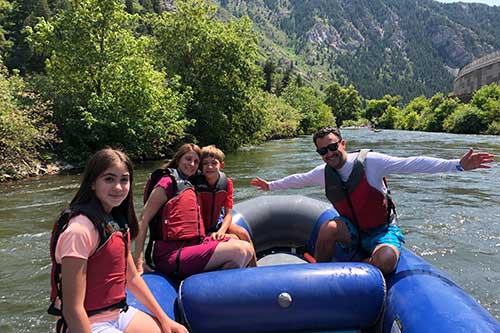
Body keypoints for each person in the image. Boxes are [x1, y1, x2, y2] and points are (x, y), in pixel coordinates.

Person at [250, 126, 495, 275]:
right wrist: (270, 186)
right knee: (329, 228)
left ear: (342, 143)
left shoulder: (372, 162)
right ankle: (319, 274)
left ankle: (357, 264)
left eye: (332, 147)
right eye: (322, 151)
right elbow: (298, 179)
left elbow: (412, 163)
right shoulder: (322, 172)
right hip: (352, 229)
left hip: (381, 230)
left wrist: (457, 166)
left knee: (387, 261)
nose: (328, 154)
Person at [48, 148, 187, 333]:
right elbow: (73, 310)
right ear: (92, 183)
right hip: (89, 323)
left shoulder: (116, 222)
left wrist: (164, 320)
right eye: (109, 179)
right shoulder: (79, 231)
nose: (118, 187)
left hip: (119, 314)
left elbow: (132, 277)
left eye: (124, 179)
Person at [133, 143, 253, 279]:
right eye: (188, 159)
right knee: (240, 250)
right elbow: (143, 219)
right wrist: (138, 261)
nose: (192, 164)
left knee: (242, 244)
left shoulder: (190, 183)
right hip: (171, 253)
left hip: (193, 245)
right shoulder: (167, 182)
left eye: (196, 161)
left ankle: (214, 290)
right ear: (178, 159)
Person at [192, 144, 257, 267]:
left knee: (243, 233)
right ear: (201, 166)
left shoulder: (226, 183)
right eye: (205, 163)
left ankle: (255, 268)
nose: (209, 167)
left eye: (214, 163)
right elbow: (197, 212)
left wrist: (221, 230)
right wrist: (205, 233)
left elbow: (228, 214)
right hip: (201, 227)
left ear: (221, 165)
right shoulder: (196, 184)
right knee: (234, 239)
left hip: (218, 222)